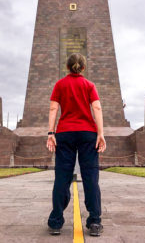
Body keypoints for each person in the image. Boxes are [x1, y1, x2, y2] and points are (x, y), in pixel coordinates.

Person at [46, 53, 106, 237]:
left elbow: (53, 108)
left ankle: (56, 222)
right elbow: (96, 108)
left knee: (62, 177)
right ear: (83, 68)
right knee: (91, 178)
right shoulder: (89, 85)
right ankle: (94, 222)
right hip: (88, 133)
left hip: (64, 133)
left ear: (67, 67)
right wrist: (101, 134)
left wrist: (50, 133)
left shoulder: (60, 84)